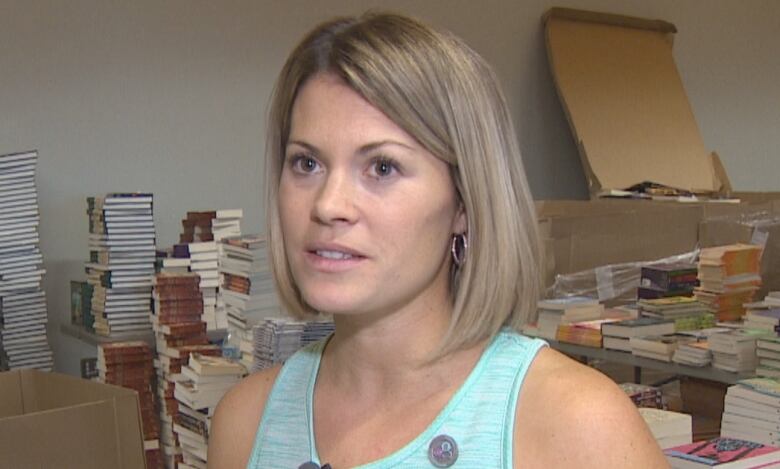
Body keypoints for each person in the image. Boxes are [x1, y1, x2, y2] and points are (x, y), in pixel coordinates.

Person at [208, 11, 668, 469]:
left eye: (382, 167)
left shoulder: (578, 427)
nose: (328, 205)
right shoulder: (244, 425)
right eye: (307, 164)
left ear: (464, 204)